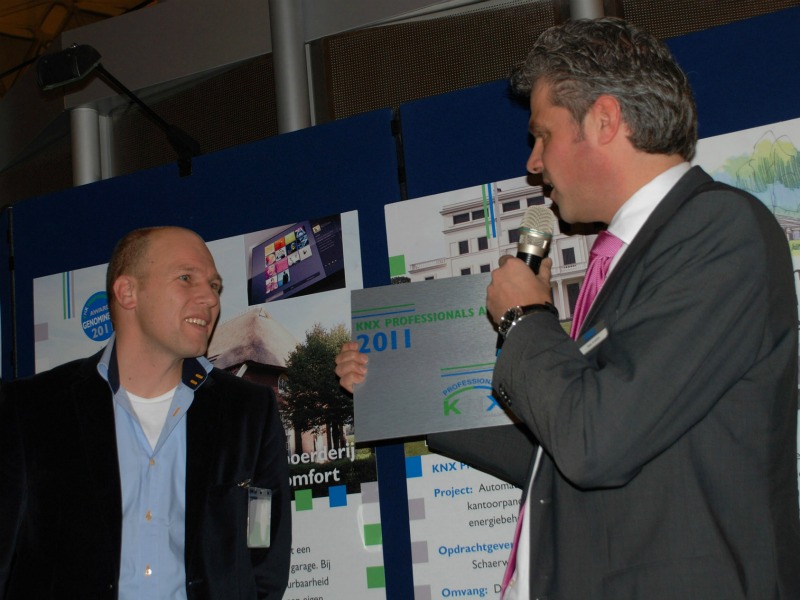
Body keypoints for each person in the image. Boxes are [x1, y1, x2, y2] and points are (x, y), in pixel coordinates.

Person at [336, 17, 800, 600]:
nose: (533, 162)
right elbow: (560, 449)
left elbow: (592, 442)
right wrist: (401, 392)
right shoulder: (633, 258)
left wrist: (525, 318)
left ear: (604, 120)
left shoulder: (717, 228)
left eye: (542, 135)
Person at [0, 226, 291, 599]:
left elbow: (264, 555)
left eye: (214, 285)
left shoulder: (249, 412)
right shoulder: (32, 409)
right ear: (128, 292)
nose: (210, 297)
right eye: (186, 278)